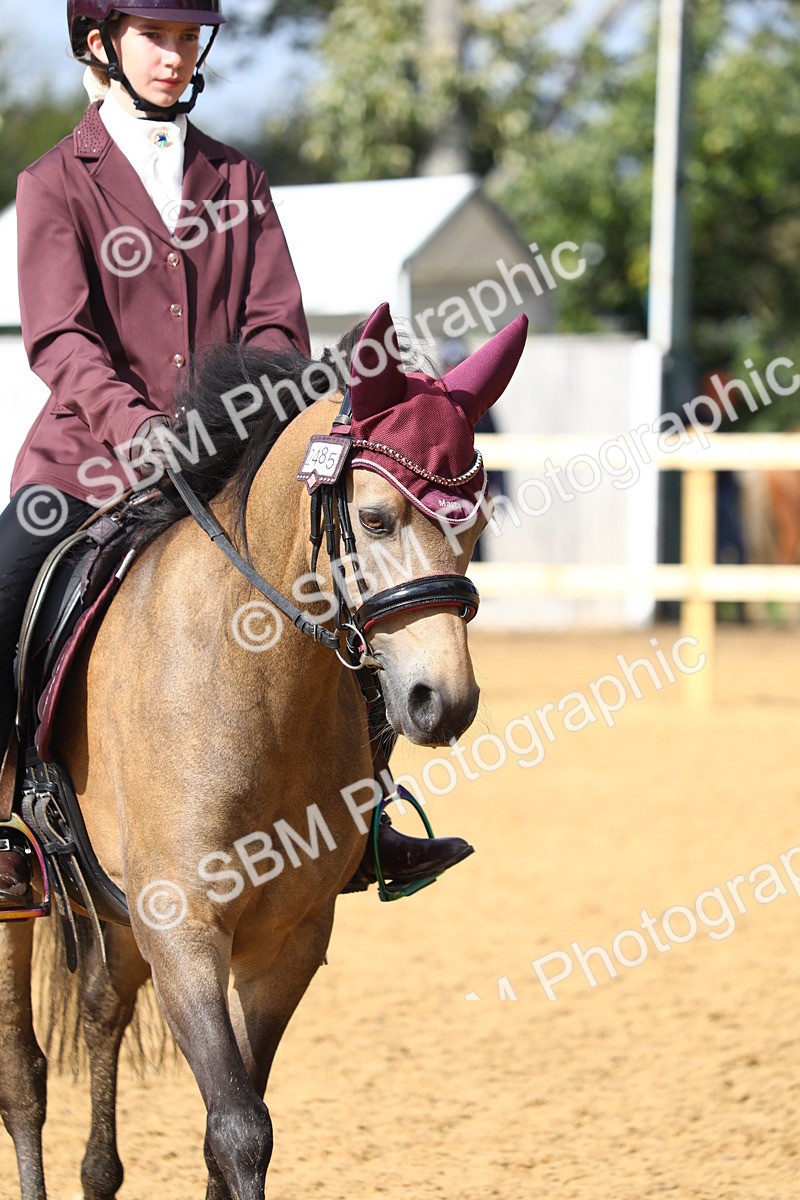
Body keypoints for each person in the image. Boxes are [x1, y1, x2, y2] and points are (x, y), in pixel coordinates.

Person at [0, 0, 471, 908]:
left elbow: (275, 327)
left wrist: (243, 428)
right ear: (100, 43)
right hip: (88, 465)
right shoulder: (52, 181)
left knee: (339, 584)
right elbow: (61, 339)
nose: (175, 56)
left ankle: (367, 812)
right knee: (2, 591)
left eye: (188, 38)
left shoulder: (237, 177)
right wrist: (141, 428)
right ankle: (10, 831)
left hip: (227, 466)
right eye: (155, 37)